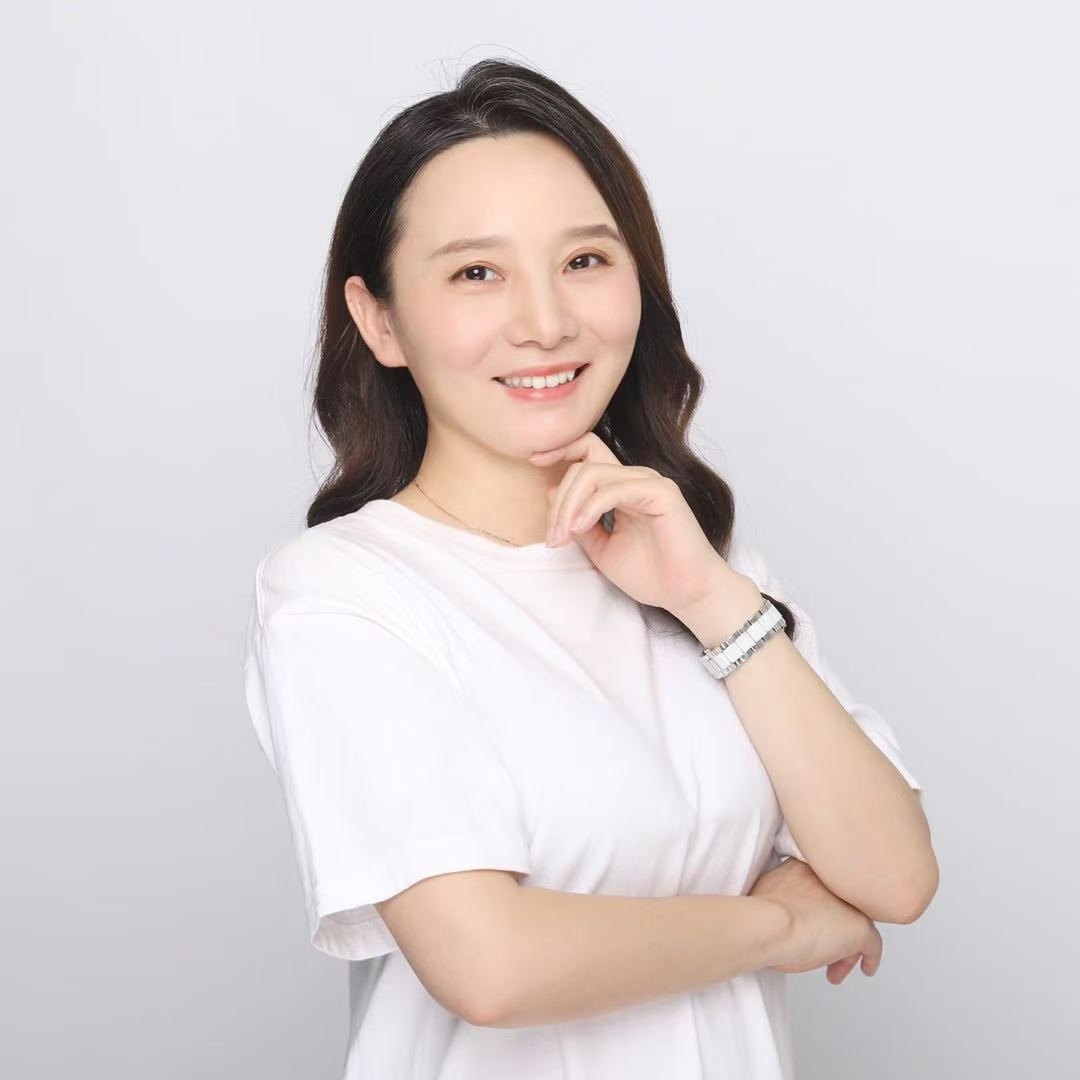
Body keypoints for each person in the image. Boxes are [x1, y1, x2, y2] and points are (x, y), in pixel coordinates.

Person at [241, 57, 937, 1080]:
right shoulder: (344, 592)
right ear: (380, 319)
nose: (547, 322)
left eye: (584, 260)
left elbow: (896, 877)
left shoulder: (710, 568)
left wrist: (711, 600)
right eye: (476, 273)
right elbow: (489, 964)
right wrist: (780, 925)